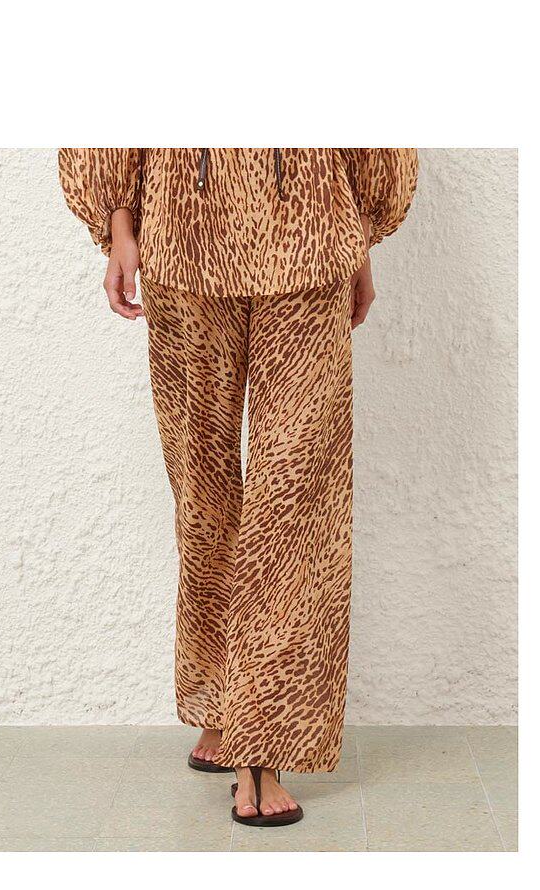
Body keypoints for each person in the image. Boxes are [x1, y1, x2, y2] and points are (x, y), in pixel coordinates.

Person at [59, 148, 417, 827]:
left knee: (295, 498)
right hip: (183, 237)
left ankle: (261, 737)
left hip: (311, 236)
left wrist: (360, 234)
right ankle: (221, 701)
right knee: (204, 491)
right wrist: (119, 223)